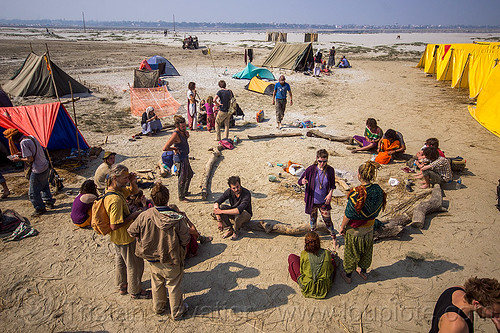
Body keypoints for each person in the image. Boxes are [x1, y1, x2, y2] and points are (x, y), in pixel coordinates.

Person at [127, 182, 190, 319]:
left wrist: (142, 239)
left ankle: (159, 307)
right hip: (171, 258)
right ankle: (177, 312)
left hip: (152, 258)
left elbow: (131, 231)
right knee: (173, 285)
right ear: (167, 198)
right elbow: (185, 237)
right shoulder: (175, 217)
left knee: (156, 284)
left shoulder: (145, 215)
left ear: (153, 199)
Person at [104, 164, 150, 299]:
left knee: (121, 261)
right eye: (124, 178)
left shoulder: (114, 190)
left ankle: (122, 285)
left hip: (117, 238)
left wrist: (132, 182)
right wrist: (133, 216)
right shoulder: (115, 200)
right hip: (125, 236)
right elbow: (114, 225)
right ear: (114, 177)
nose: (126, 180)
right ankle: (135, 291)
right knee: (134, 264)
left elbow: (134, 193)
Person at [339, 161, 386, 284]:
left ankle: (348, 275)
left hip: (355, 229)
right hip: (369, 227)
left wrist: (342, 227)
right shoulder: (378, 190)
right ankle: (363, 272)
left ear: (359, 175)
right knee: (366, 251)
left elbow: (348, 214)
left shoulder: (357, 193)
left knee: (351, 252)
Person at [8, 129, 56, 216]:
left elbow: (30, 159)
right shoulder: (31, 137)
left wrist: (18, 159)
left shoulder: (23, 143)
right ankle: (49, 201)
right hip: (44, 165)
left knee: (33, 192)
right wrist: (22, 154)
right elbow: (34, 151)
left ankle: (40, 208)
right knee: (44, 185)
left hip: (37, 169)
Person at [429, 277, 500, 333]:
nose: (498, 317)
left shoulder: (459, 290)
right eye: (495, 313)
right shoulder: (455, 325)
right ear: (476, 303)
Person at [298, 149, 337, 243]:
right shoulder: (310, 169)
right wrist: (302, 182)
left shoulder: (330, 170)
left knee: (328, 221)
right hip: (312, 201)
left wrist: (330, 194)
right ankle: (313, 239)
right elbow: (300, 181)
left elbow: (332, 185)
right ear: (316, 159)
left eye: (324, 161)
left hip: (324, 201)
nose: (322, 164)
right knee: (313, 221)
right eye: (320, 161)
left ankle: (334, 238)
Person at [288, 231, 336, 299]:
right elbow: (331, 270)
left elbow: (302, 271)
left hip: (308, 285)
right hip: (323, 288)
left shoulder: (304, 254)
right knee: (332, 262)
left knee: (292, 257)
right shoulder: (326, 253)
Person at [162, 115, 193, 202]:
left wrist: (187, 136)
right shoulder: (175, 134)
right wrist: (174, 149)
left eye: (185, 126)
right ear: (177, 126)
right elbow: (165, 148)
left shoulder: (183, 132)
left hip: (185, 157)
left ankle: (185, 192)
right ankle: (181, 197)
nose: (184, 127)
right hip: (180, 159)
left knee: (190, 174)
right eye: (182, 126)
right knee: (182, 178)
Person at [213, 176, 252, 241]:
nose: (236, 189)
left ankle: (236, 231)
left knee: (241, 213)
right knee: (222, 207)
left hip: (245, 215)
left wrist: (221, 212)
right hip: (234, 213)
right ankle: (229, 229)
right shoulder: (229, 192)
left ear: (240, 184)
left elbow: (238, 210)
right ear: (230, 188)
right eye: (234, 188)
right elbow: (217, 202)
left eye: (237, 187)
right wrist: (219, 219)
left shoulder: (246, 193)